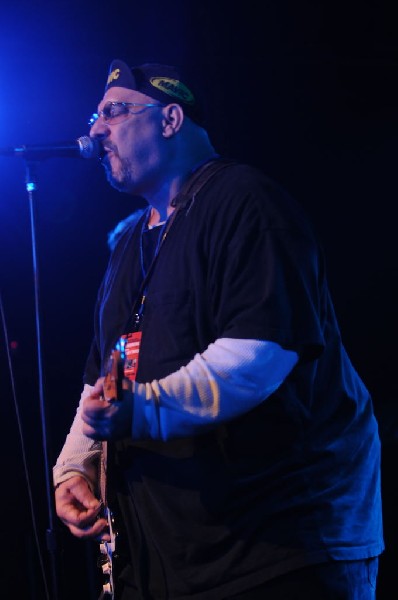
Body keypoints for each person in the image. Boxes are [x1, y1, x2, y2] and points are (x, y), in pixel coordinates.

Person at [53, 58, 384, 600]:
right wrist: (76, 467)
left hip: (279, 549)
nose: (93, 131)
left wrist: (142, 410)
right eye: (95, 115)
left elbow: (259, 355)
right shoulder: (127, 244)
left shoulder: (247, 203)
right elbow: (107, 377)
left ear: (169, 120)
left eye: (113, 112)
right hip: (173, 558)